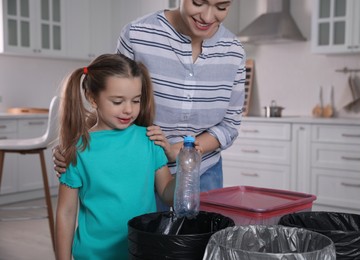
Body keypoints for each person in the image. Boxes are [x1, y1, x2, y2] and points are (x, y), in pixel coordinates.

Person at [54, 0, 246, 208]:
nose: (208, 17)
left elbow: (229, 125)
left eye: (221, 7)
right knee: (141, 239)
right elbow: (112, 101)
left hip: (203, 172)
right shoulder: (137, 35)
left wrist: (185, 152)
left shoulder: (234, 52)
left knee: (201, 240)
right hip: (139, 172)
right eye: (198, 2)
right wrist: (78, 145)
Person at [55, 54, 176, 260]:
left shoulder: (149, 139)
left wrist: (188, 170)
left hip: (142, 251)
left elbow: (167, 192)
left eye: (136, 100)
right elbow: (66, 213)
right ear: (92, 98)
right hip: (93, 255)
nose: (128, 109)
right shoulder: (79, 150)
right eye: (118, 101)